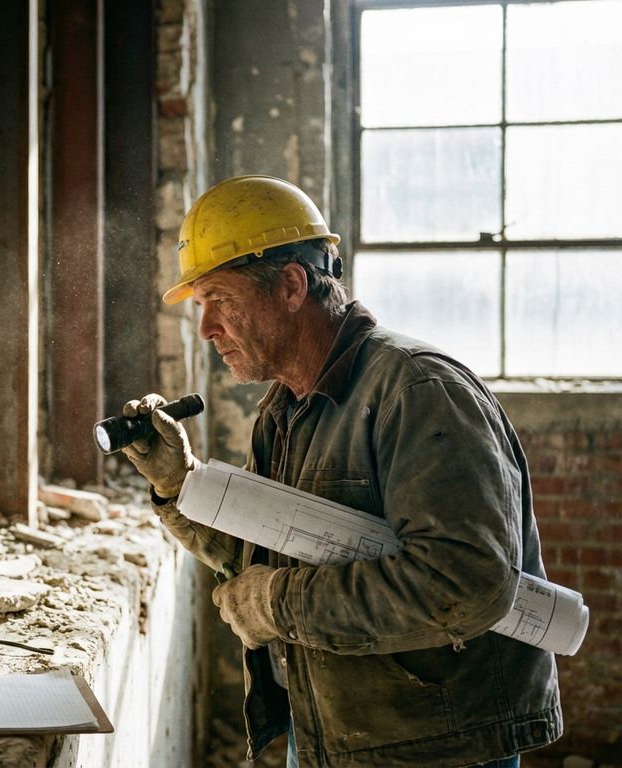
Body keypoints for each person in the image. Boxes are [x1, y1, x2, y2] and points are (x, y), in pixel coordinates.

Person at [120, 175, 562, 767]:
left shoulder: (420, 392)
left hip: (435, 748)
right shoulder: (284, 410)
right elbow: (265, 554)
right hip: (329, 732)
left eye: (220, 299)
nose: (206, 329)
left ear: (291, 286)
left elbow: (466, 583)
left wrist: (278, 605)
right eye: (201, 306)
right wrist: (180, 486)